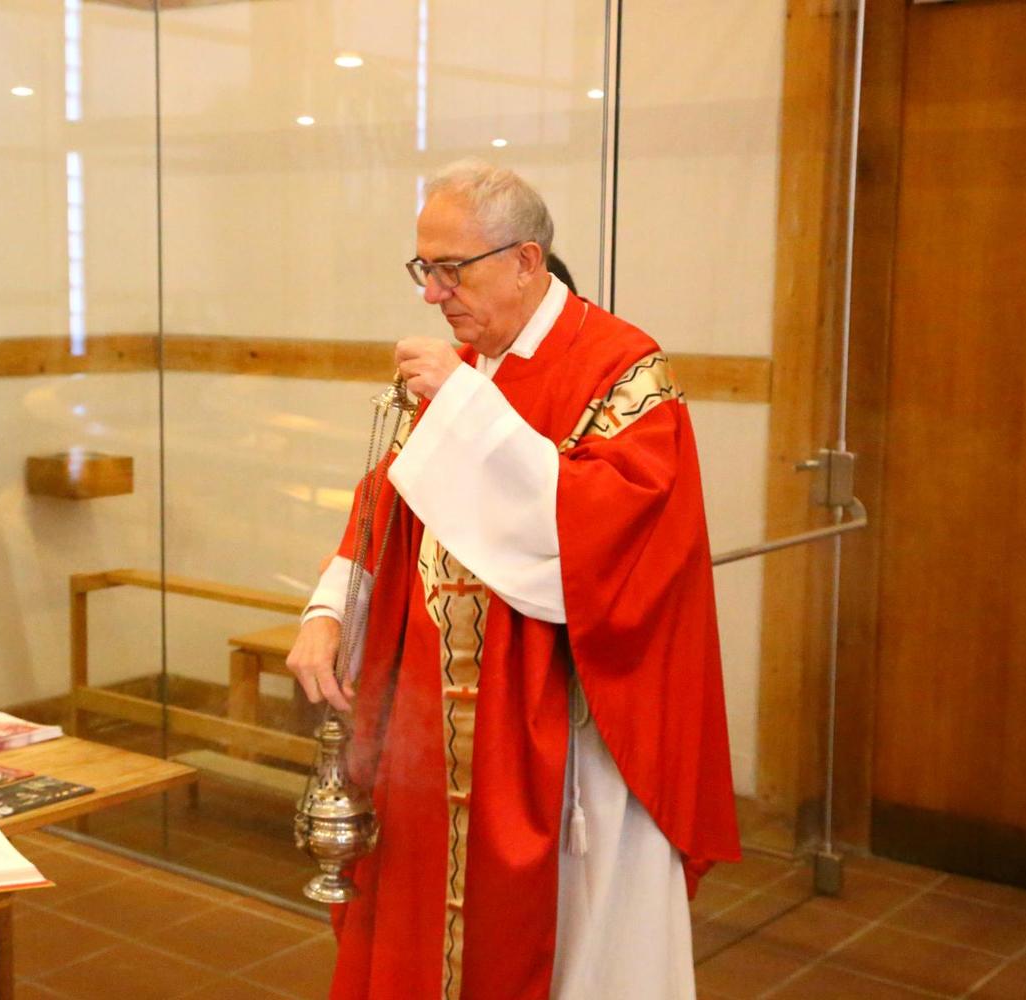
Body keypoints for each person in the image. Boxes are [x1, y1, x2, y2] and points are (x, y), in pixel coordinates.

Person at [287, 160, 740, 999]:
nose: (433, 294)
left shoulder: (624, 370)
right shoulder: (469, 368)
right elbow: (384, 507)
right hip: (435, 730)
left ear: (526, 261)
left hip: (564, 740)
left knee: (572, 957)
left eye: (451, 270)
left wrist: (465, 405)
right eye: (424, 269)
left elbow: (599, 539)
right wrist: (327, 612)